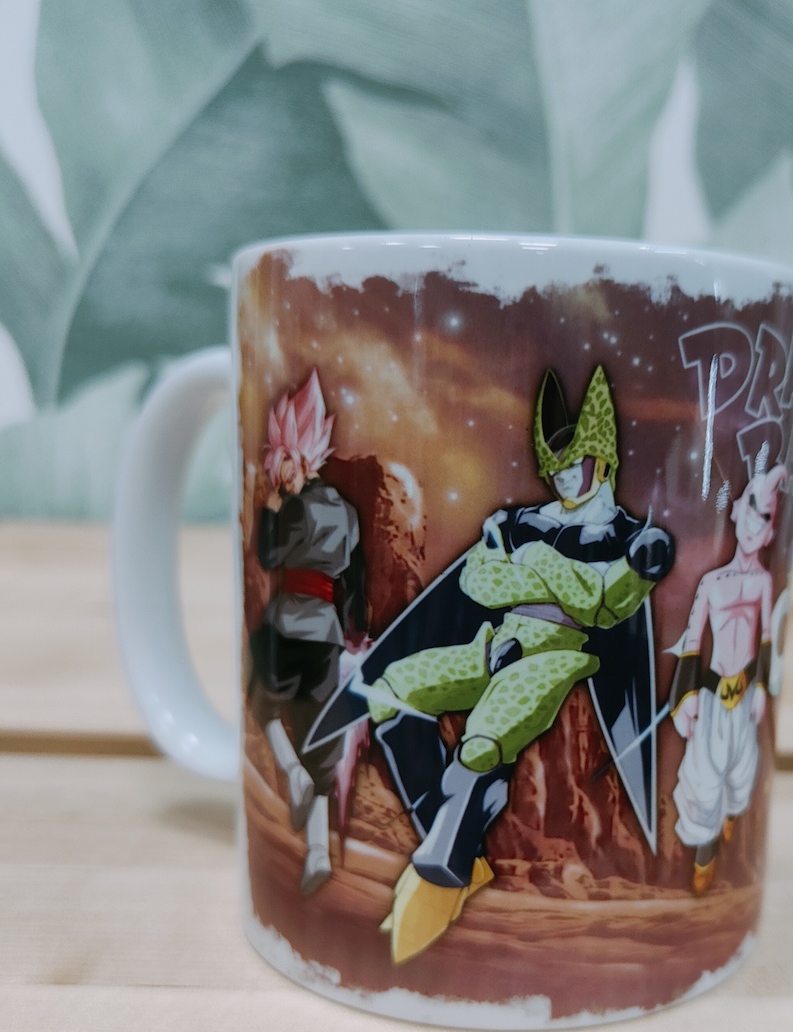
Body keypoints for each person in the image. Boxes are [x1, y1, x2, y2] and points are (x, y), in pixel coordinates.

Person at [306, 365, 674, 962]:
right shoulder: (528, 521)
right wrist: (566, 579)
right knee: (393, 689)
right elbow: (480, 579)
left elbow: (608, 606)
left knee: (482, 743)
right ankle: (457, 842)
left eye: (573, 466)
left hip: (551, 659)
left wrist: (537, 566)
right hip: (494, 644)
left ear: (601, 462)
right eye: (554, 468)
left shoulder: (623, 538)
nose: (561, 478)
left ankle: (443, 869)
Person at [249, 370, 367, 894]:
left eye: (285, 466)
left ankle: (291, 771)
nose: (281, 478)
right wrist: (353, 629)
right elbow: (356, 582)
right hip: (327, 637)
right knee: (320, 739)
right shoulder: (347, 514)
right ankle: (318, 850)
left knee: (263, 700)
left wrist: (271, 510)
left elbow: (269, 555)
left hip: (289, 625)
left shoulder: (296, 507)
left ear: (304, 459)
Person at [668, 446, 786, 895]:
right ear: (736, 513)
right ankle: (705, 853)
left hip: (745, 693)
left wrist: (762, 688)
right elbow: (692, 641)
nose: (757, 524)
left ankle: (733, 820)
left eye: (767, 517)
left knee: (742, 772)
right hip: (713, 696)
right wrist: (686, 697)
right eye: (753, 512)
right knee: (703, 778)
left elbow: (767, 636)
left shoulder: (763, 582)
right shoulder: (712, 583)